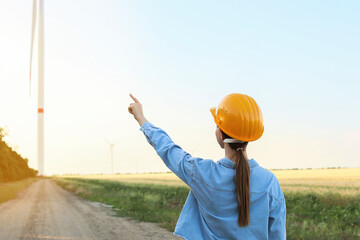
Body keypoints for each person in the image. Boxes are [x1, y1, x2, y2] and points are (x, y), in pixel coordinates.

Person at [128, 93, 286, 240]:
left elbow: (168, 149)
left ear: (220, 134)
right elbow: (277, 234)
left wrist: (141, 119)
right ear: (251, 137)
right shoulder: (270, 183)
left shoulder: (202, 173)